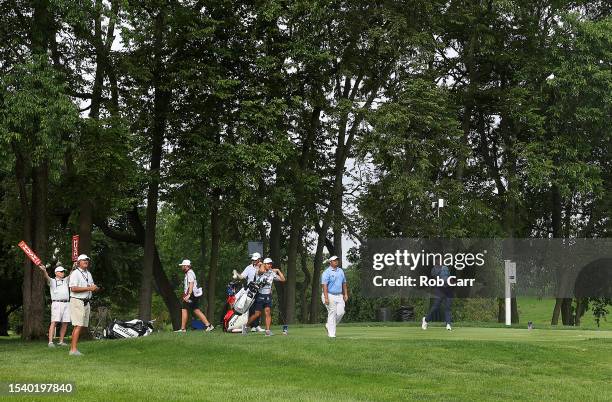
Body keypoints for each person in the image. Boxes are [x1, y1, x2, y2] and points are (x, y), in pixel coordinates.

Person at [242, 258, 285, 336]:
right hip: (260, 295)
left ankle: (267, 331)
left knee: (268, 312)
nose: (270, 265)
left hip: (268, 296)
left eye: (271, 264)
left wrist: (278, 270)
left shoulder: (272, 273)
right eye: (268, 264)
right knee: (257, 314)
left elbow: (283, 279)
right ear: (264, 264)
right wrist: (262, 265)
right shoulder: (259, 271)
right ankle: (245, 326)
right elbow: (261, 270)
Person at [68, 254, 99, 356]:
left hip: (86, 302)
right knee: (78, 325)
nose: (86, 261)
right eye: (84, 260)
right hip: (77, 301)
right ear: (78, 262)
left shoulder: (88, 274)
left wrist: (95, 288)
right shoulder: (75, 273)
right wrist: (89, 288)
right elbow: (73, 288)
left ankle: (73, 348)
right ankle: (73, 350)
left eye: (87, 260)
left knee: (79, 326)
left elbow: (90, 286)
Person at [175, 259, 214, 333]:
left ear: (186, 266)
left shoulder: (189, 273)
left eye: (183, 266)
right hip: (192, 294)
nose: (182, 267)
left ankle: (183, 329)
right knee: (195, 310)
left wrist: (189, 294)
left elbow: (191, 283)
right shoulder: (189, 273)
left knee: (184, 308)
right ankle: (208, 325)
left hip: (191, 294)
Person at [38, 265, 70, 347]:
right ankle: (50, 342)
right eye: (61, 271)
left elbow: (72, 274)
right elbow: (47, 277)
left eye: (63, 271)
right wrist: (44, 270)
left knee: (65, 322)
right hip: (57, 303)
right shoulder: (52, 281)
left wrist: (74, 267)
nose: (63, 273)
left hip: (66, 303)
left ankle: (61, 341)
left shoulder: (66, 280)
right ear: (56, 273)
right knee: (54, 322)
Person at [232, 252, 264, 332]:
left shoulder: (262, 267)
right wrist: (236, 273)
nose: (253, 261)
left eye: (255, 260)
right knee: (251, 308)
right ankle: (253, 325)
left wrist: (260, 265)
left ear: (259, 260)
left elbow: (262, 274)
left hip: (260, 290)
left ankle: (257, 325)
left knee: (258, 308)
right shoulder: (249, 267)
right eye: (253, 260)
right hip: (250, 290)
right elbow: (242, 276)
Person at [321, 255, 348, 338]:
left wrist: (345, 294)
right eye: (334, 260)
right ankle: (331, 334)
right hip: (329, 294)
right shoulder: (326, 272)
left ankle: (328, 325)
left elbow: (344, 283)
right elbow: (324, 286)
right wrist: (326, 298)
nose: (336, 261)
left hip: (339, 295)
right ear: (330, 262)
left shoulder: (341, 271)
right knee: (332, 312)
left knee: (341, 312)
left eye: (337, 260)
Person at [422, 264, 453, 331]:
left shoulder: (447, 268)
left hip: (448, 290)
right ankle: (426, 320)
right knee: (435, 307)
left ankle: (448, 324)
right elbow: (432, 278)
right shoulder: (434, 269)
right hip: (439, 290)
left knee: (448, 308)